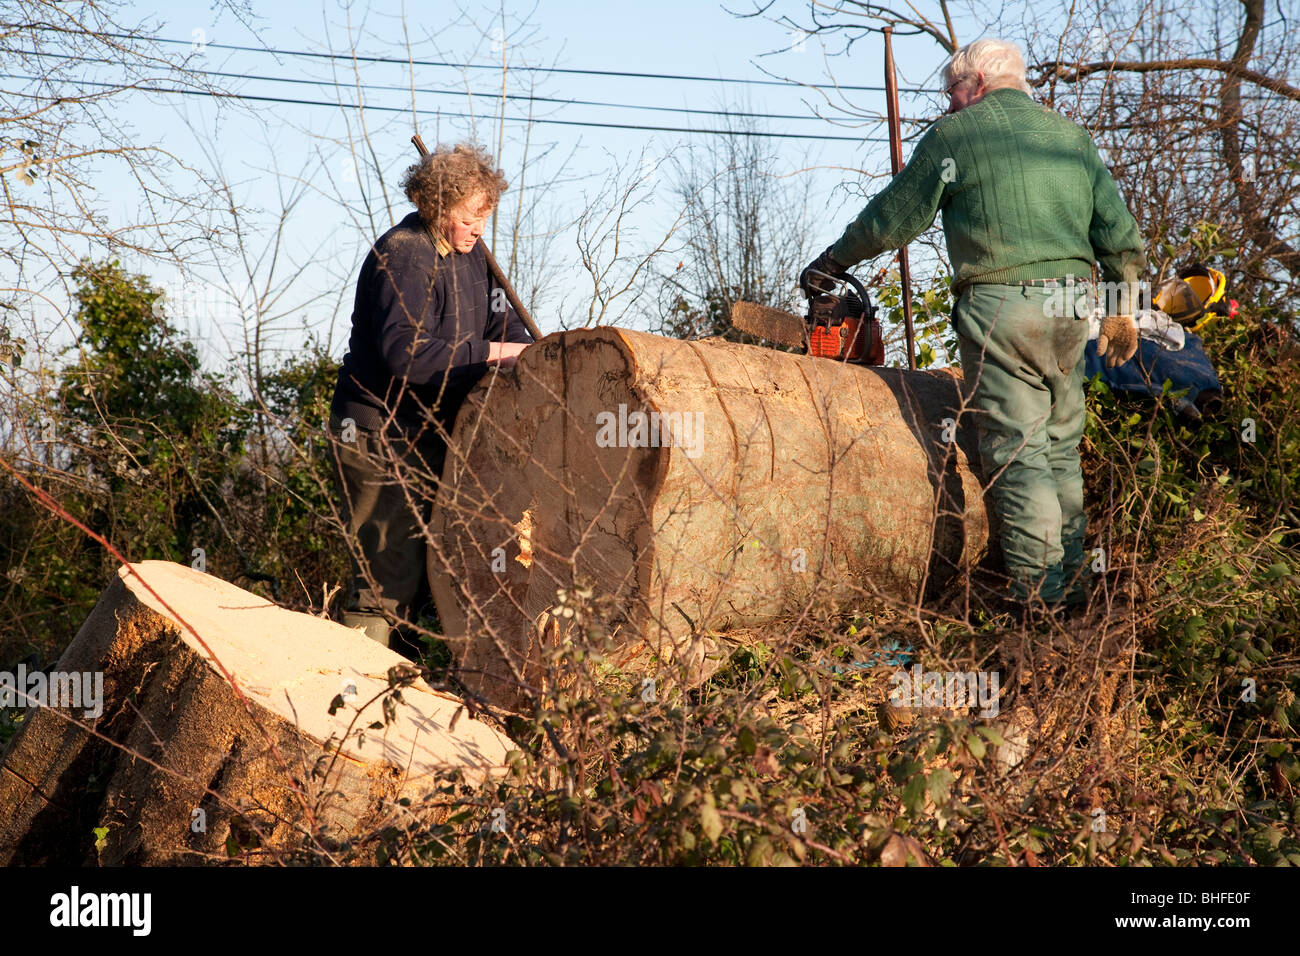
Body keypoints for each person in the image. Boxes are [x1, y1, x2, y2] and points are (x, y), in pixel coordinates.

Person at [802, 38, 1145, 613]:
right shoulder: (1071, 139)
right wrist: (1122, 304)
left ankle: (1043, 607)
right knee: (1060, 446)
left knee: (1019, 450)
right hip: (1069, 310)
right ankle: (1076, 593)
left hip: (1002, 307)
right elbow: (1118, 234)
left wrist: (833, 261)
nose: (949, 103)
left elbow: (895, 217)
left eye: (952, 91)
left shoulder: (955, 136)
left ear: (978, 82)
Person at [329, 142, 533, 653]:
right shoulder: (402, 255)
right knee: (386, 578)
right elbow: (407, 354)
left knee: (434, 571)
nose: (479, 228)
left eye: (485, 215)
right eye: (469, 216)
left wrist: (530, 354)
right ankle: (354, 692)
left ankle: (411, 690)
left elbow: (502, 321)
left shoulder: (472, 258)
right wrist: (492, 353)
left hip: (430, 431)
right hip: (378, 432)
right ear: (437, 207)